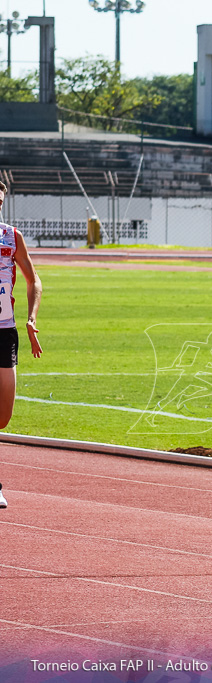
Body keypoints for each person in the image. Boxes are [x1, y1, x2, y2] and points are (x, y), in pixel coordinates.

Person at [0, 180, 43, 509]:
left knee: (3, 417)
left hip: (5, 332)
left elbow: (34, 280)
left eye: (0, 200)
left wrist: (31, 318)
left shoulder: (11, 237)